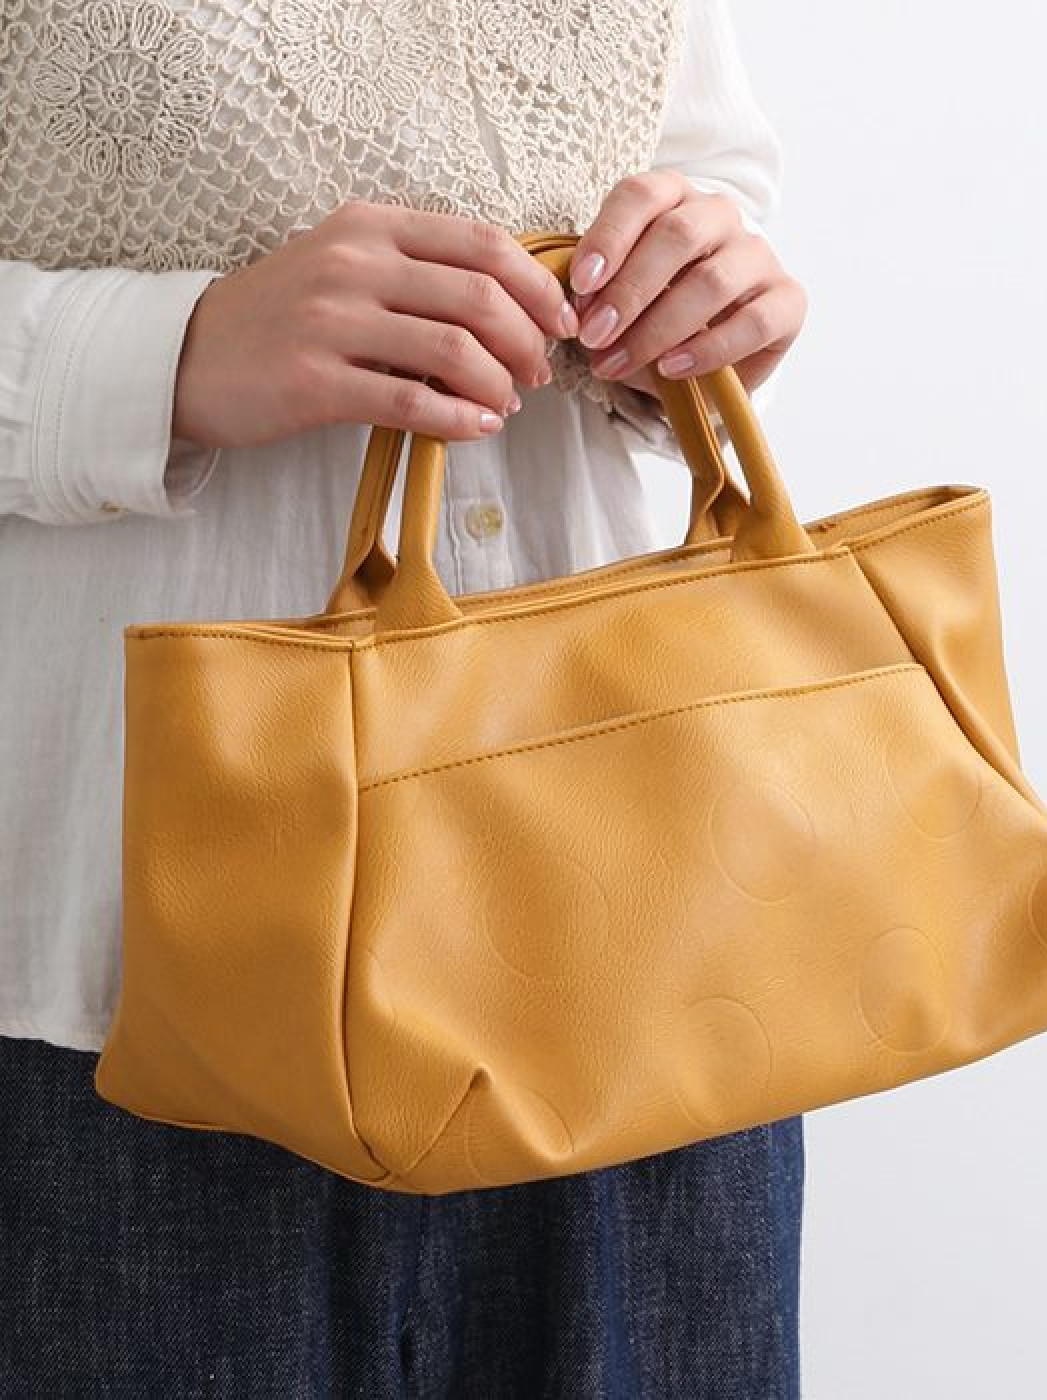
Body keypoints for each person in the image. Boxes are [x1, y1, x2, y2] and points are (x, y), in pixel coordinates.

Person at [0, 0, 809, 1393]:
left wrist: (708, 289)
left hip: (657, 954)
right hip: (139, 980)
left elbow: (708, 173)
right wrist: (169, 354)